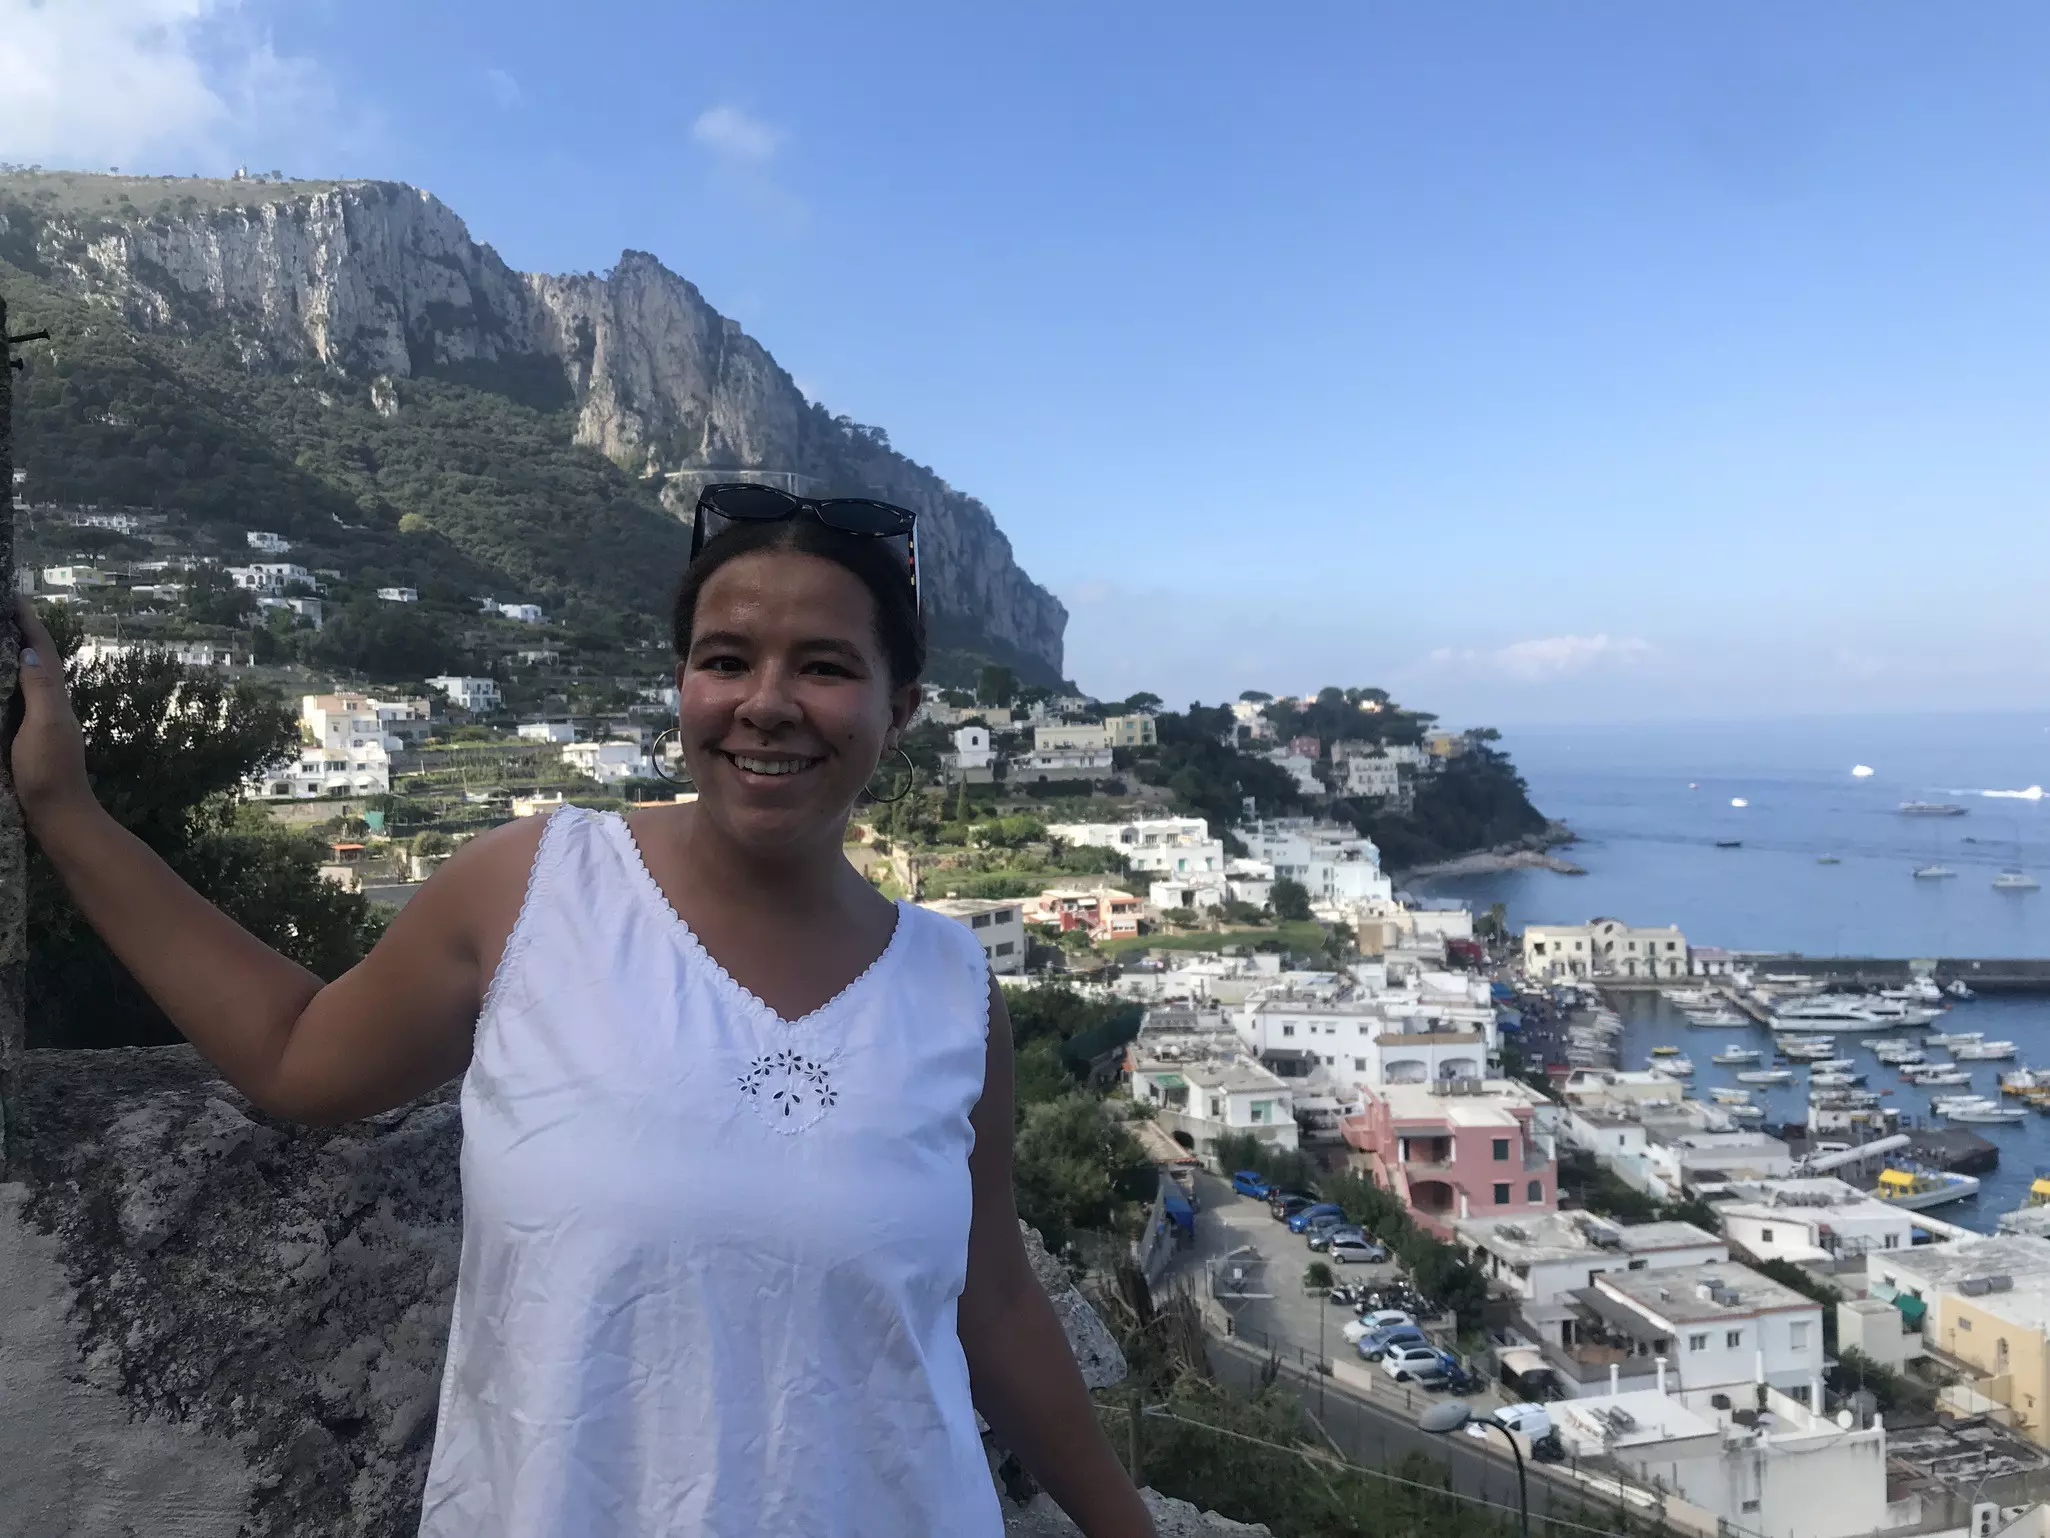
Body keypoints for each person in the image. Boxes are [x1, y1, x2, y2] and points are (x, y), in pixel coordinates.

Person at [6, 495, 1158, 1538]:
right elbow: (296, 1054)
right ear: (680, 684)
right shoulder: (538, 887)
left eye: (822, 665)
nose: (765, 702)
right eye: (725, 658)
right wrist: (66, 811)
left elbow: (994, 1299)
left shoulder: (952, 988)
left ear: (897, 708)